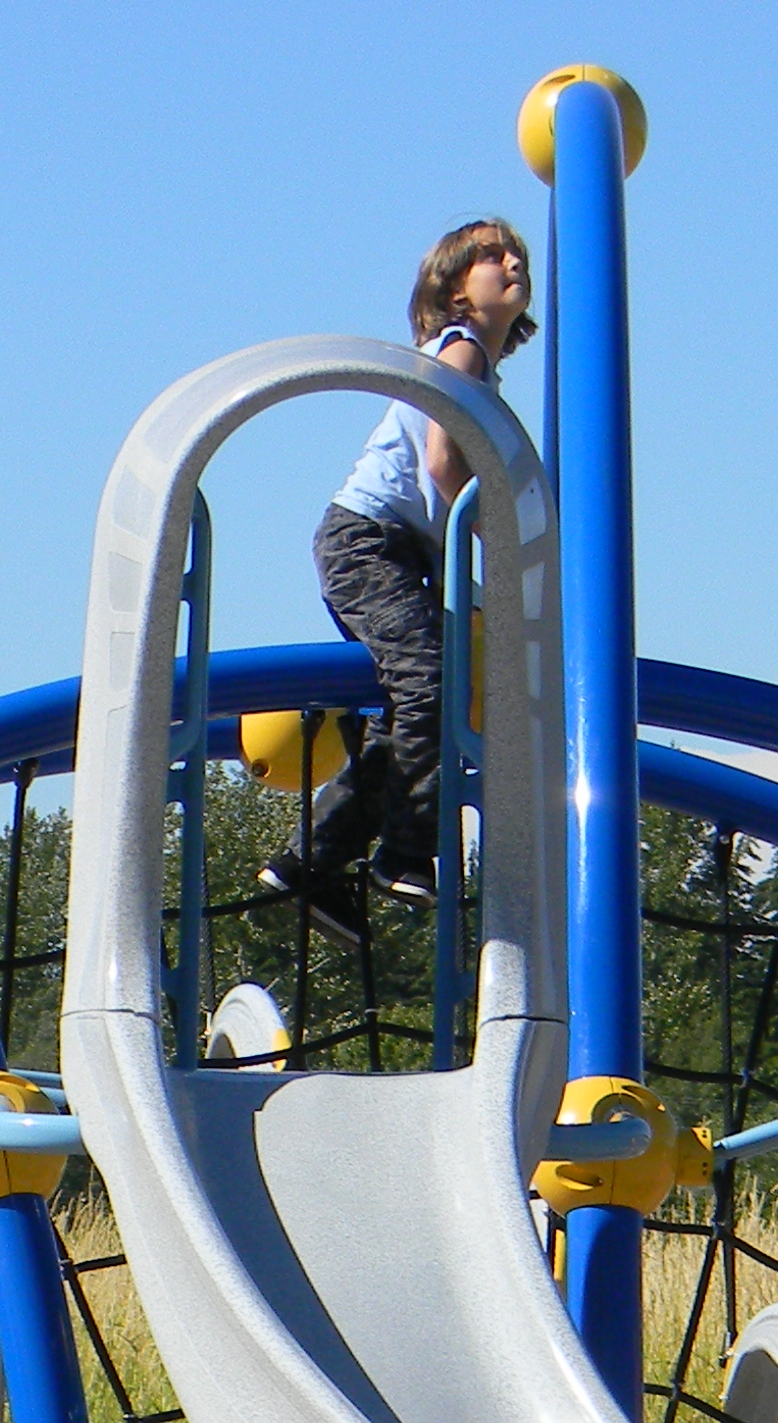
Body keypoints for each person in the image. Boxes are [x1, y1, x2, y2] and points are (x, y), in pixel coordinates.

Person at [254, 217, 536, 950]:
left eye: (518, 257)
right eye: (491, 257)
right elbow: (446, 464)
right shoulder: (462, 352)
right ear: (453, 286)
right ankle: (406, 851)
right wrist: (496, 543)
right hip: (368, 542)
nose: (512, 262)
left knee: (411, 703)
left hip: (397, 548)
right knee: (430, 685)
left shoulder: (477, 366)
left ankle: (307, 864)